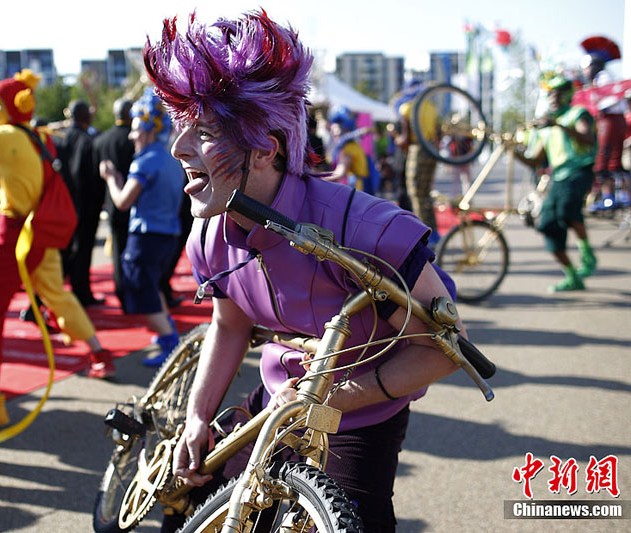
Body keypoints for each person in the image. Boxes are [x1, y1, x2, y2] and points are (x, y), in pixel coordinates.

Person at [144, 11, 462, 531]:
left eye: (200, 133)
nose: (178, 150)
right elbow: (228, 325)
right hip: (278, 392)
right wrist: (198, 416)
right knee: (191, 498)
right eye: (180, 130)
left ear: (265, 148)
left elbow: (442, 348)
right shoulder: (207, 234)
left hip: (364, 410)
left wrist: (331, 396)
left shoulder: (367, 232)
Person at [0, 70, 111, 428]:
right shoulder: (37, 136)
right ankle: (100, 351)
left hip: (15, 236)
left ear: (1, 106)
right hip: (39, 230)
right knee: (56, 293)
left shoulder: (1, 134)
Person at [99, 88, 185, 368]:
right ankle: (166, 334)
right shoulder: (172, 158)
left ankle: (170, 340)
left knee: (140, 290)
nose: (131, 136)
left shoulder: (146, 161)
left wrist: (112, 178)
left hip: (146, 236)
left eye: (136, 129)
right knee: (153, 287)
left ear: (149, 130)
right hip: (167, 236)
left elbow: (123, 202)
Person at [516, 75, 597, 292]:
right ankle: (572, 277)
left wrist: (559, 125)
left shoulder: (576, 114)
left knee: (567, 211)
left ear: (568, 93)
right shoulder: (548, 126)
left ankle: (587, 255)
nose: (554, 96)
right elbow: (534, 160)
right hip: (558, 177)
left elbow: (587, 138)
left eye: (559, 91)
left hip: (578, 172)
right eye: (551, 92)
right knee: (547, 225)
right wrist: (512, 151)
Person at [61, 100, 106, 307]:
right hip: (85, 206)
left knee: (64, 250)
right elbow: (88, 177)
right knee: (82, 250)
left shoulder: (60, 139)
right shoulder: (88, 141)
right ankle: (81, 293)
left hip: (63, 205)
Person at [93, 98, 135, 311]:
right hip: (134, 201)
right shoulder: (134, 139)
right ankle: (135, 293)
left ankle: (122, 292)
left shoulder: (102, 140)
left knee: (118, 249)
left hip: (111, 203)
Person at [393, 79, 441, 245]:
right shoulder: (431, 107)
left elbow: (405, 139)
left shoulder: (406, 108)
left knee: (416, 194)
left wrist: (396, 139)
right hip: (433, 150)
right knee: (426, 193)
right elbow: (437, 133)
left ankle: (423, 238)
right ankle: (435, 234)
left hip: (418, 150)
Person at [581, 49, 628, 211]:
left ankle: (610, 198)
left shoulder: (603, 79)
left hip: (609, 121)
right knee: (613, 162)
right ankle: (619, 196)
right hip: (614, 121)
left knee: (603, 162)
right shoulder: (600, 80)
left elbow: (605, 100)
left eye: (587, 67)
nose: (585, 71)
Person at [326, 105, 379, 194]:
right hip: (360, 188)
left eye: (336, 127)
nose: (333, 131)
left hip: (358, 190)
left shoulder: (349, 148)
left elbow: (339, 174)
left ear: (344, 127)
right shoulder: (352, 145)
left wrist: (317, 178)